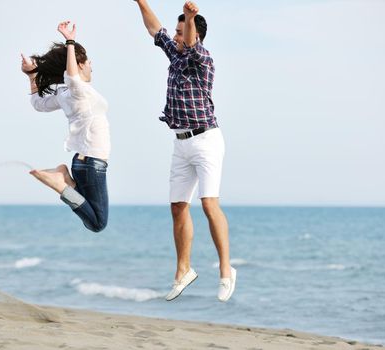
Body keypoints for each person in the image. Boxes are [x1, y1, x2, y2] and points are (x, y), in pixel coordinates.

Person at [133, 0, 236, 302]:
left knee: (208, 204)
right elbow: (154, 29)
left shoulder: (202, 58)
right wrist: (140, 2)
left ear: (195, 34)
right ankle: (183, 270)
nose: (176, 37)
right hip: (181, 143)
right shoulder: (175, 56)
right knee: (178, 207)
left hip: (207, 140)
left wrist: (191, 18)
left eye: (181, 32)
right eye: (177, 32)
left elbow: (190, 43)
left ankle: (226, 271)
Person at [21, 21, 110, 233]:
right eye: (88, 61)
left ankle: (64, 179)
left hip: (85, 163)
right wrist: (69, 41)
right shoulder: (78, 90)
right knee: (97, 224)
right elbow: (71, 77)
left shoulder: (65, 93)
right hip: (92, 163)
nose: (91, 64)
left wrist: (32, 75)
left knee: (89, 212)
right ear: (79, 65)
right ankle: (60, 183)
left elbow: (38, 104)